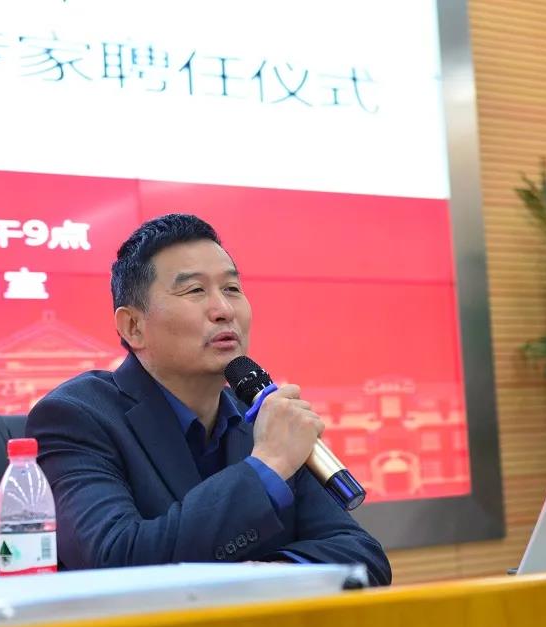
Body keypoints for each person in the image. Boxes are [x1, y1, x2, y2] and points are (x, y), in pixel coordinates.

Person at [25, 213, 391, 586]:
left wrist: (262, 576)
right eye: (195, 291)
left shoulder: (259, 417)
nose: (224, 310)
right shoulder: (75, 417)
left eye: (231, 288)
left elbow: (363, 558)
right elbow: (115, 562)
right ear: (133, 326)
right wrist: (268, 466)